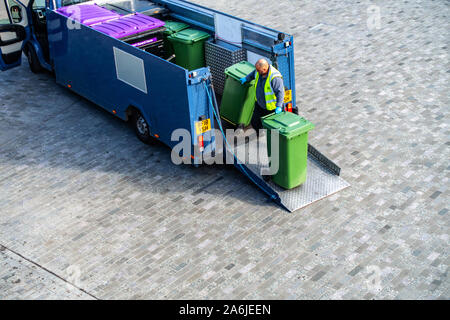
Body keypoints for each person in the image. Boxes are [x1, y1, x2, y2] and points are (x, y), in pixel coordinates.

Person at [240, 59, 285, 132]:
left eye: (258, 70)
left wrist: (279, 106)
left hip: (272, 109)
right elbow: (252, 74)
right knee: (255, 122)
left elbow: (280, 93)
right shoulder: (258, 72)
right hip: (259, 105)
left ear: (264, 69)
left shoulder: (275, 78)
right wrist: (246, 78)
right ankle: (259, 133)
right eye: (256, 70)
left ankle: (273, 141)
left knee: (273, 129)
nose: (257, 71)